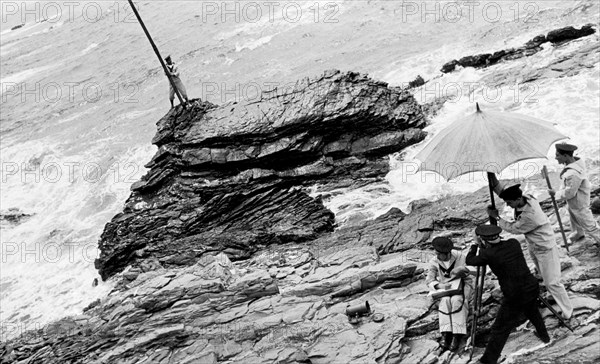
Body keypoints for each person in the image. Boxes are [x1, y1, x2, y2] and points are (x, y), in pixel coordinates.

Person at [487, 175, 573, 320]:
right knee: (543, 275)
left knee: (552, 282)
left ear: (517, 200)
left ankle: (567, 311)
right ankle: (553, 296)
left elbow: (513, 228)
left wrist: (497, 218)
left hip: (545, 247)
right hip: (534, 245)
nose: (507, 206)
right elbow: (503, 193)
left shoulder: (530, 215)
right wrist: (492, 178)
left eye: (509, 203)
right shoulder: (526, 198)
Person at [466, 224, 550, 364]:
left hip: (514, 295)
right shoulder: (513, 243)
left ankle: (488, 360)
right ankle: (545, 337)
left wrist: (475, 244)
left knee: (500, 328)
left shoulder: (488, 254)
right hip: (531, 286)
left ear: (483, 240)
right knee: (532, 311)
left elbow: (470, 260)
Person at [426, 237, 474, 352]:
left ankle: (457, 335)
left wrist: (464, 270)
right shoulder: (434, 261)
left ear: (446, 253)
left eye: (439, 253)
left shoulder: (460, 257)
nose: (436, 255)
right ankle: (446, 333)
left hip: (462, 286)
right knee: (445, 301)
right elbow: (429, 279)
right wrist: (439, 286)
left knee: (457, 300)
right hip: (446, 289)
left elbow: (472, 272)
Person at [549, 143, 600, 245]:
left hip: (579, 202)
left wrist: (555, 194)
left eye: (557, 155)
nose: (555, 157)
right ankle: (578, 233)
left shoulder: (572, 173)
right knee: (574, 219)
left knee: (590, 226)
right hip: (575, 202)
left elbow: (570, 193)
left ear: (565, 156)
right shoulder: (575, 163)